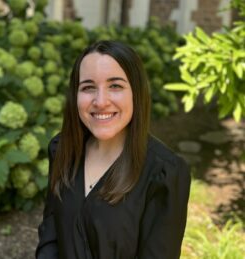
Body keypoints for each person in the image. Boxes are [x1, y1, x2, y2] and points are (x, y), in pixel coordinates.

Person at [36, 40, 191, 259]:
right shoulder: (62, 149)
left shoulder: (165, 173)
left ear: (136, 93)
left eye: (115, 86)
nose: (100, 101)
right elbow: (51, 234)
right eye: (88, 87)